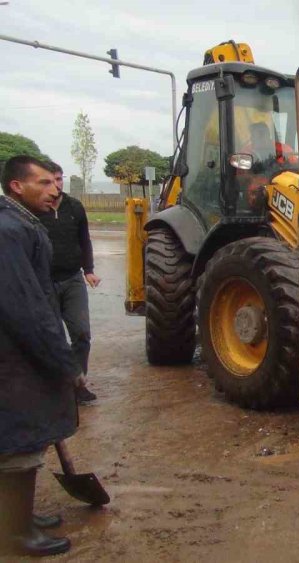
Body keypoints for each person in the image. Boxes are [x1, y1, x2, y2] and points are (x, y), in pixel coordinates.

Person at [0, 155, 80, 556]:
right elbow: (25, 307)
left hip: (20, 353)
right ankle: (15, 533)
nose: (55, 190)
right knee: (18, 443)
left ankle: (20, 517)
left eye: (55, 182)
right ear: (17, 186)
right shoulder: (8, 231)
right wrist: (61, 360)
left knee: (24, 439)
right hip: (13, 358)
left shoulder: (21, 223)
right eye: (45, 183)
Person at [39, 162, 99, 405]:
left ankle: (78, 384)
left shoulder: (74, 207)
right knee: (51, 337)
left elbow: (84, 239)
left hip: (72, 279)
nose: (56, 185)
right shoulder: (34, 210)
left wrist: (89, 270)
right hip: (44, 282)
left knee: (81, 333)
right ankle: (55, 387)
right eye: (50, 180)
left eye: (59, 179)